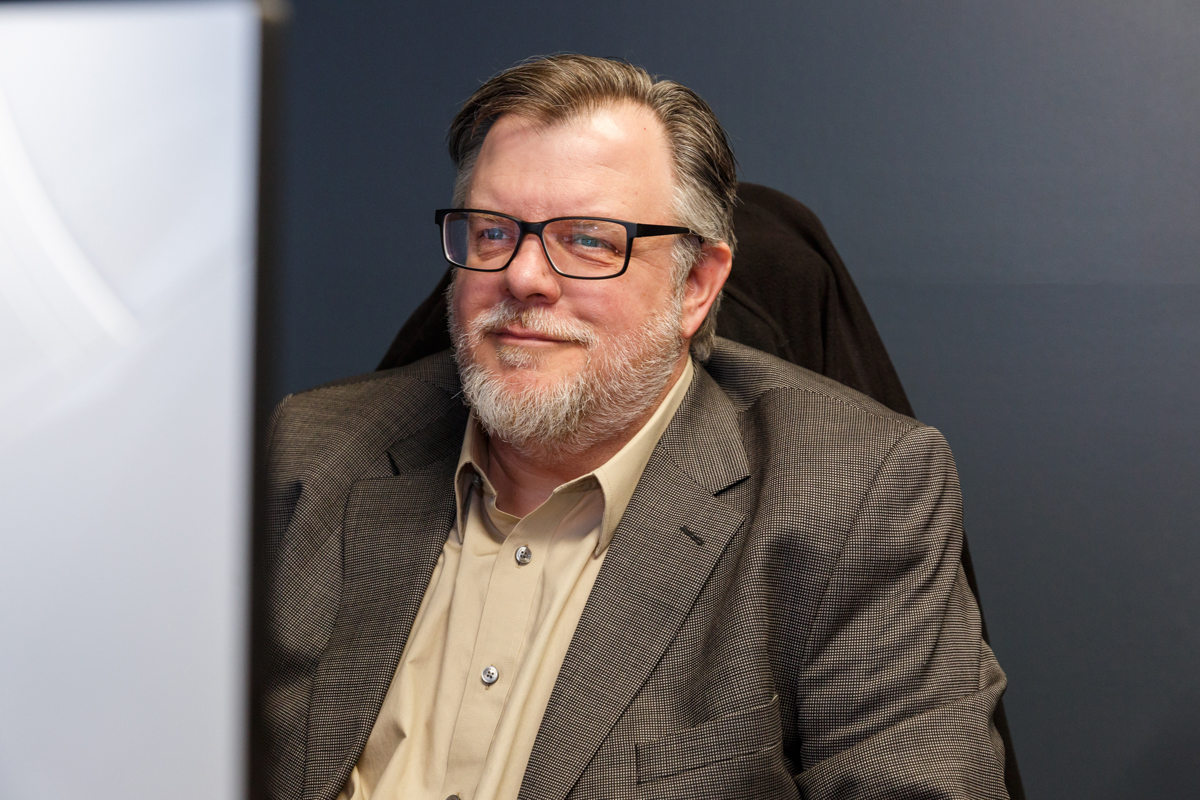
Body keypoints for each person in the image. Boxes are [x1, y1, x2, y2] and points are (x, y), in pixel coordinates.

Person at [261, 55, 1009, 800]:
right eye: (492, 232)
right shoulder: (313, 450)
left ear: (697, 286)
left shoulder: (851, 498)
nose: (523, 277)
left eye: (587, 239)